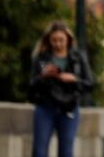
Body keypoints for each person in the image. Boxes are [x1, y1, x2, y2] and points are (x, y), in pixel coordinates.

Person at [29, 21, 94, 157]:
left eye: (61, 40)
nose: (57, 44)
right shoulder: (42, 58)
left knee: (66, 152)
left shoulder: (77, 57)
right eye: (54, 40)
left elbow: (90, 84)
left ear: (68, 39)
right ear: (48, 40)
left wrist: (74, 79)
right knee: (39, 152)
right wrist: (44, 76)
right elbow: (31, 85)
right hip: (45, 107)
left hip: (69, 109)